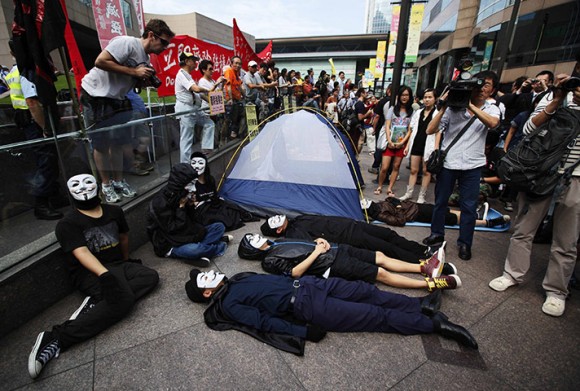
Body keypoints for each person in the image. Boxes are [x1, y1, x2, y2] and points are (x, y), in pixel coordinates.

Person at [28, 173, 159, 379]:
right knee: (122, 302)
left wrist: (126, 261)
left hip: (117, 265)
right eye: (76, 185)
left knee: (150, 277)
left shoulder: (114, 211)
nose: (83, 188)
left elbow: (124, 237)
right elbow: (82, 252)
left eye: (87, 182)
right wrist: (105, 275)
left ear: (97, 186)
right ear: (70, 192)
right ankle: (55, 337)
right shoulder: (67, 223)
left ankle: (100, 302)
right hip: (90, 273)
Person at [185, 270, 478, 355]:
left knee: (369, 292)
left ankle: (418, 305)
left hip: (313, 284)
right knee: (374, 316)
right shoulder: (229, 305)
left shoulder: (236, 278)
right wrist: (302, 331)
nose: (210, 272)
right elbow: (263, 322)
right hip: (309, 306)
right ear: (207, 293)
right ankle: (434, 325)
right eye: (205, 278)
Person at [489, 74, 580, 317]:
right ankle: (512, 274)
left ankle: (556, 290)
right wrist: (557, 100)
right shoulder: (555, 99)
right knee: (523, 229)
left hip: (575, 178)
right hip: (539, 173)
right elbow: (528, 128)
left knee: (566, 239)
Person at [81, 19, 175, 203]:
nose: (165, 47)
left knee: (117, 143)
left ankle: (118, 180)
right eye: (163, 42)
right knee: (100, 145)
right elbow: (100, 61)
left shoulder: (145, 59)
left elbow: (129, 78)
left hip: (117, 99)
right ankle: (106, 185)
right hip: (95, 95)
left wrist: (142, 79)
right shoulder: (127, 43)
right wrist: (134, 72)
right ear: (150, 35)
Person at [423, 71, 501, 260]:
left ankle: (465, 243)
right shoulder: (452, 109)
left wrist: (471, 106)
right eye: (479, 85)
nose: (483, 89)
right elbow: (430, 130)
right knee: (440, 202)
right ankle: (437, 235)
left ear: (492, 89)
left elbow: (493, 124)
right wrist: (442, 107)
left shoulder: (492, 109)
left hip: (473, 165)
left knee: (469, 206)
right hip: (449, 163)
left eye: (487, 85)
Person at [238, 233, 461, 291]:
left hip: (336, 248)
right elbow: (295, 272)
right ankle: (431, 283)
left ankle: (424, 267)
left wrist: (318, 241)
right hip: (330, 264)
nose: (256, 237)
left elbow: (302, 244)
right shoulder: (269, 261)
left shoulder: (277, 242)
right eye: (252, 241)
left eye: (254, 236)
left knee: (380, 256)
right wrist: (317, 252)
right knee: (380, 274)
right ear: (252, 251)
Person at [260, 214, 455, 273]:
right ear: (279, 230)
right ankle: (426, 261)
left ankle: (426, 250)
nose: (278, 217)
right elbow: (314, 245)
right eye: (276, 221)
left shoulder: (296, 219)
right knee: (388, 249)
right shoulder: (295, 233)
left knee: (389, 234)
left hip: (353, 225)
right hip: (350, 237)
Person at [5, 41, 62, 220]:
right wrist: (45, 128)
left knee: (46, 160)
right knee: (46, 161)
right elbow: (32, 102)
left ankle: (52, 196)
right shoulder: (27, 70)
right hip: (35, 123)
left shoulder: (14, 70)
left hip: (26, 120)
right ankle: (42, 203)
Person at [147, 163, 229, 264]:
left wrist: (190, 206)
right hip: (170, 242)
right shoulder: (159, 203)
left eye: (194, 183)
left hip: (187, 235)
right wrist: (181, 208)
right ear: (180, 184)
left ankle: (200, 253)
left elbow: (193, 220)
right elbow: (172, 229)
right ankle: (218, 246)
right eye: (191, 184)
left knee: (219, 227)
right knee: (195, 250)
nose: (194, 188)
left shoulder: (182, 193)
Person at [186, 151, 257, 230]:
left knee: (232, 209)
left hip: (214, 204)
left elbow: (214, 196)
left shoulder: (210, 179)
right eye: (193, 163)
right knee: (216, 218)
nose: (196, 166)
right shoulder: (190, 183)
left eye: (200, 163)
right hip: (202, 210)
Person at [175, 52, 221, 162]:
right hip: (186, 109)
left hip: (195, 108)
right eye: (193, 60)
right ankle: (185, 165)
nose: (196, 63)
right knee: (186, 138)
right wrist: (209, 90)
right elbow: (196, 89)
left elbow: (198, 94)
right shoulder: (181, 74)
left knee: (209, 123)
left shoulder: (188, 75)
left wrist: (212, 103)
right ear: (186, 61)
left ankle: (206, 149)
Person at [362, 198, 510, 228]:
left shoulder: (379, 205)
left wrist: (394, 200)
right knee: (449, 218)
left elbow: (390, 199)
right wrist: (399, 206)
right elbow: (400, 221)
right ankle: (486, 223)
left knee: (444, 210)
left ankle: (474, 214)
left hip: (416, 207)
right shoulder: (380, 214)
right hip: (417, 215)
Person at [400, 88, 438, 203]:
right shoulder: (418, 112)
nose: (427, 100)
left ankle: (422, 195)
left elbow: (439, 131)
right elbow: (411, 130)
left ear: (435, 99)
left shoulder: (437, 113)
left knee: (426, 171)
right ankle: (409, 193)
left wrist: (436, 148)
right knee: (413, 170)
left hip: (429, 145)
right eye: (425, 97)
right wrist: (407, 146)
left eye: (430, 97)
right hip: (416, 143)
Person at [375, 86, 414, 197]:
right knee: (384, 167)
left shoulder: (412, 111)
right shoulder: (392, 109)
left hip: (402, 142)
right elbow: (387, 125)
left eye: (407, 95)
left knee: (396, 166)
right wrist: (389, 140)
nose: (404, 97)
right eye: (402, 95)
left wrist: (403, 143)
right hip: (390, 141)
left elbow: (410, 129)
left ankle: (390, 188)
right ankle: (380, 186)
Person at [196, 59, 225, 154]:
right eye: (210, 69)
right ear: (204, 70)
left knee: (214, 130)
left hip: (215, 109)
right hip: (207, 110)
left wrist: (222, 84)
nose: (212, 71)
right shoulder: (202, 82)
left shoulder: (212, 81)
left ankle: (211, 149)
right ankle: (205, 151)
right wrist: (217, 83)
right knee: (208, 130)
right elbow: (207, 94)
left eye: (212, 69)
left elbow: (217, 93)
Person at [223, 56, 245, 139]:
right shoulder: (229, 71)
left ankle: (233, 135)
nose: (238, 65)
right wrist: (230, 99)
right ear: (231, 64)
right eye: (236, 63)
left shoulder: (237, 75)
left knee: (235, 119)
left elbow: (240, 87)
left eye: (239, 64)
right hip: (230, 100)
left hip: (237, 100)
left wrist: (244, 95)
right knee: (227, 120)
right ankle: (223, 140)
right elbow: (228, 86)